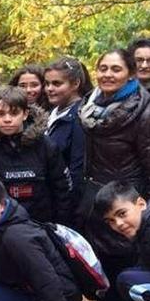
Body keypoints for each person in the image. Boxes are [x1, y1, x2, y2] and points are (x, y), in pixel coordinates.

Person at [78, 49, 150, 301]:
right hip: (96, 194)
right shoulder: (90, 108)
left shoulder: (146, 111)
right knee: (101, 259)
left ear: (130, 73)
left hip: (127, 194)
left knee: (126, 259)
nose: (108, 74)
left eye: (116, 69)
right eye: (103, 68)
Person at [0, 86, 73, 225]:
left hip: (43, 226)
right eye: (1, 114)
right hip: (3, 228)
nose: (7, 119)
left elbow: (62, 190)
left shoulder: (46, 146)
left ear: (25, 114)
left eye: (14, 113)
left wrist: (60, 227)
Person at [44, 57, 91, 208]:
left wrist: (67, 206)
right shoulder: (52, 112)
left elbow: (77, 169)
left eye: (57, 83)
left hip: (67, 201)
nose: (49, 88)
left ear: (75, 84)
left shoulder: (79, 117)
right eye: (47, 83)